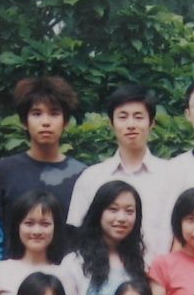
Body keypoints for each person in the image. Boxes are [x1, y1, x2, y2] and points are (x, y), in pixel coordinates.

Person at [0, 76, 98, 256]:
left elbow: (87, 235)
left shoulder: (82, 175)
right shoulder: (4, 170)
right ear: (24, 121)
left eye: (54, 113)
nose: (45, 122)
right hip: (11, 270)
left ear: (65, 122)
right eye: (37, 113)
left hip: (65, 271)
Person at [68, 83, 173, 255]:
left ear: (151, 123)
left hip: (159, 270)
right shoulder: (92, 177)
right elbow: (78, 234)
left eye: (138, 117)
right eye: (122, 117)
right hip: (102, 269)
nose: (131, 124)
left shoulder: (172, 175)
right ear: (111, 123)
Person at [63, 179, 152, 295]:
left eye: (129, 211)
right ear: (99, 213)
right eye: (113, 209)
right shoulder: (75, 263)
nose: (121, 218)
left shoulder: (142, 263)